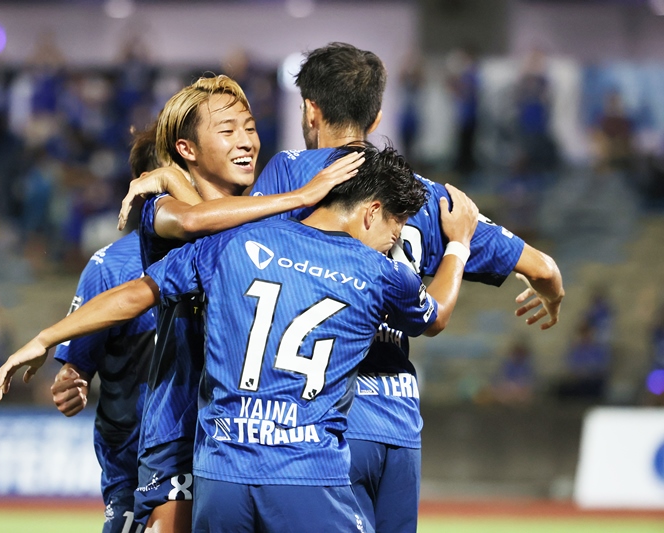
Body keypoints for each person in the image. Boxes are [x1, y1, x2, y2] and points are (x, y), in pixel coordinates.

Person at [120, 42, 564, 533]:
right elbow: (543, 267)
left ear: (310, 110)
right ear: (376, 117)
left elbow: (224, 240)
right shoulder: (427, 196)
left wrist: (173, 183)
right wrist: (549, 292)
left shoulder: (290, 173)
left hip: (326, 424)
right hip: (400, 424)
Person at [0, 141, 480, 532]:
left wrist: (46, 337)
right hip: (307, 474)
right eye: (394, 231)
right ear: (371, 212)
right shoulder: (379, 272)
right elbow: (435, 313)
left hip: (220, 477)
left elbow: (138, 293)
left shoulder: (236, 241)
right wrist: (458, 244)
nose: (391, 245)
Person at [133, 75, 364, 533]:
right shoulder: (161, 208)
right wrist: (301, 195)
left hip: (259, 440)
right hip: (180, 427)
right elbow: (197, 222)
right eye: (228, 131)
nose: (246, 142)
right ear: (186, 149)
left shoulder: (274, 217)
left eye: (250, 128)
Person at [49, 127, 159, 533]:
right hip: (133, 467)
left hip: (212, 461)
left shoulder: (228, 250)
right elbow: (76, 368)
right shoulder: (110, 266)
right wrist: (70, 380)